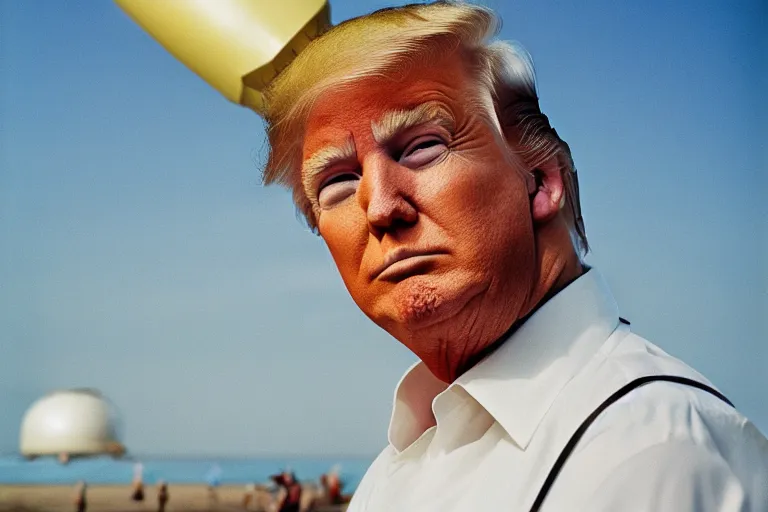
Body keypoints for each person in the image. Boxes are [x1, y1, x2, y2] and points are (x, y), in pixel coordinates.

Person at [118, 0, 768, 510]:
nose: (379, 206)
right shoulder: (397, 470)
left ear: (539, 180)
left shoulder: (650, 448)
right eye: (337, 182)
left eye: (421, 147)